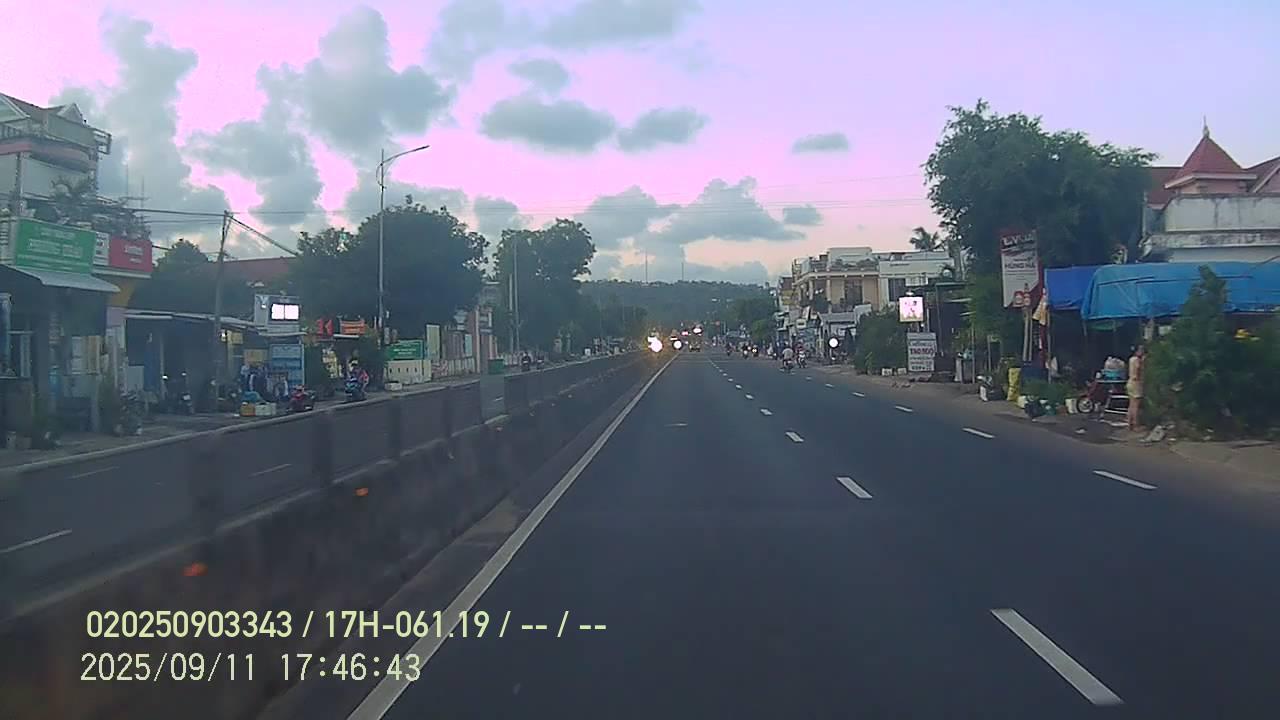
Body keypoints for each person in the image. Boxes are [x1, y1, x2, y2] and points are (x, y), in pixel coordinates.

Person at [1126, 345, 1145, 431]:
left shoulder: (1131, 359)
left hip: (1130, 382)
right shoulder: (1137, 360)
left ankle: (1129, 423)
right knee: (1136, 405)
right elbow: (1137, 371)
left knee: (1131, 404)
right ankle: (1135, 424)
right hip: (1136, 383)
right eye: (1141, 350)